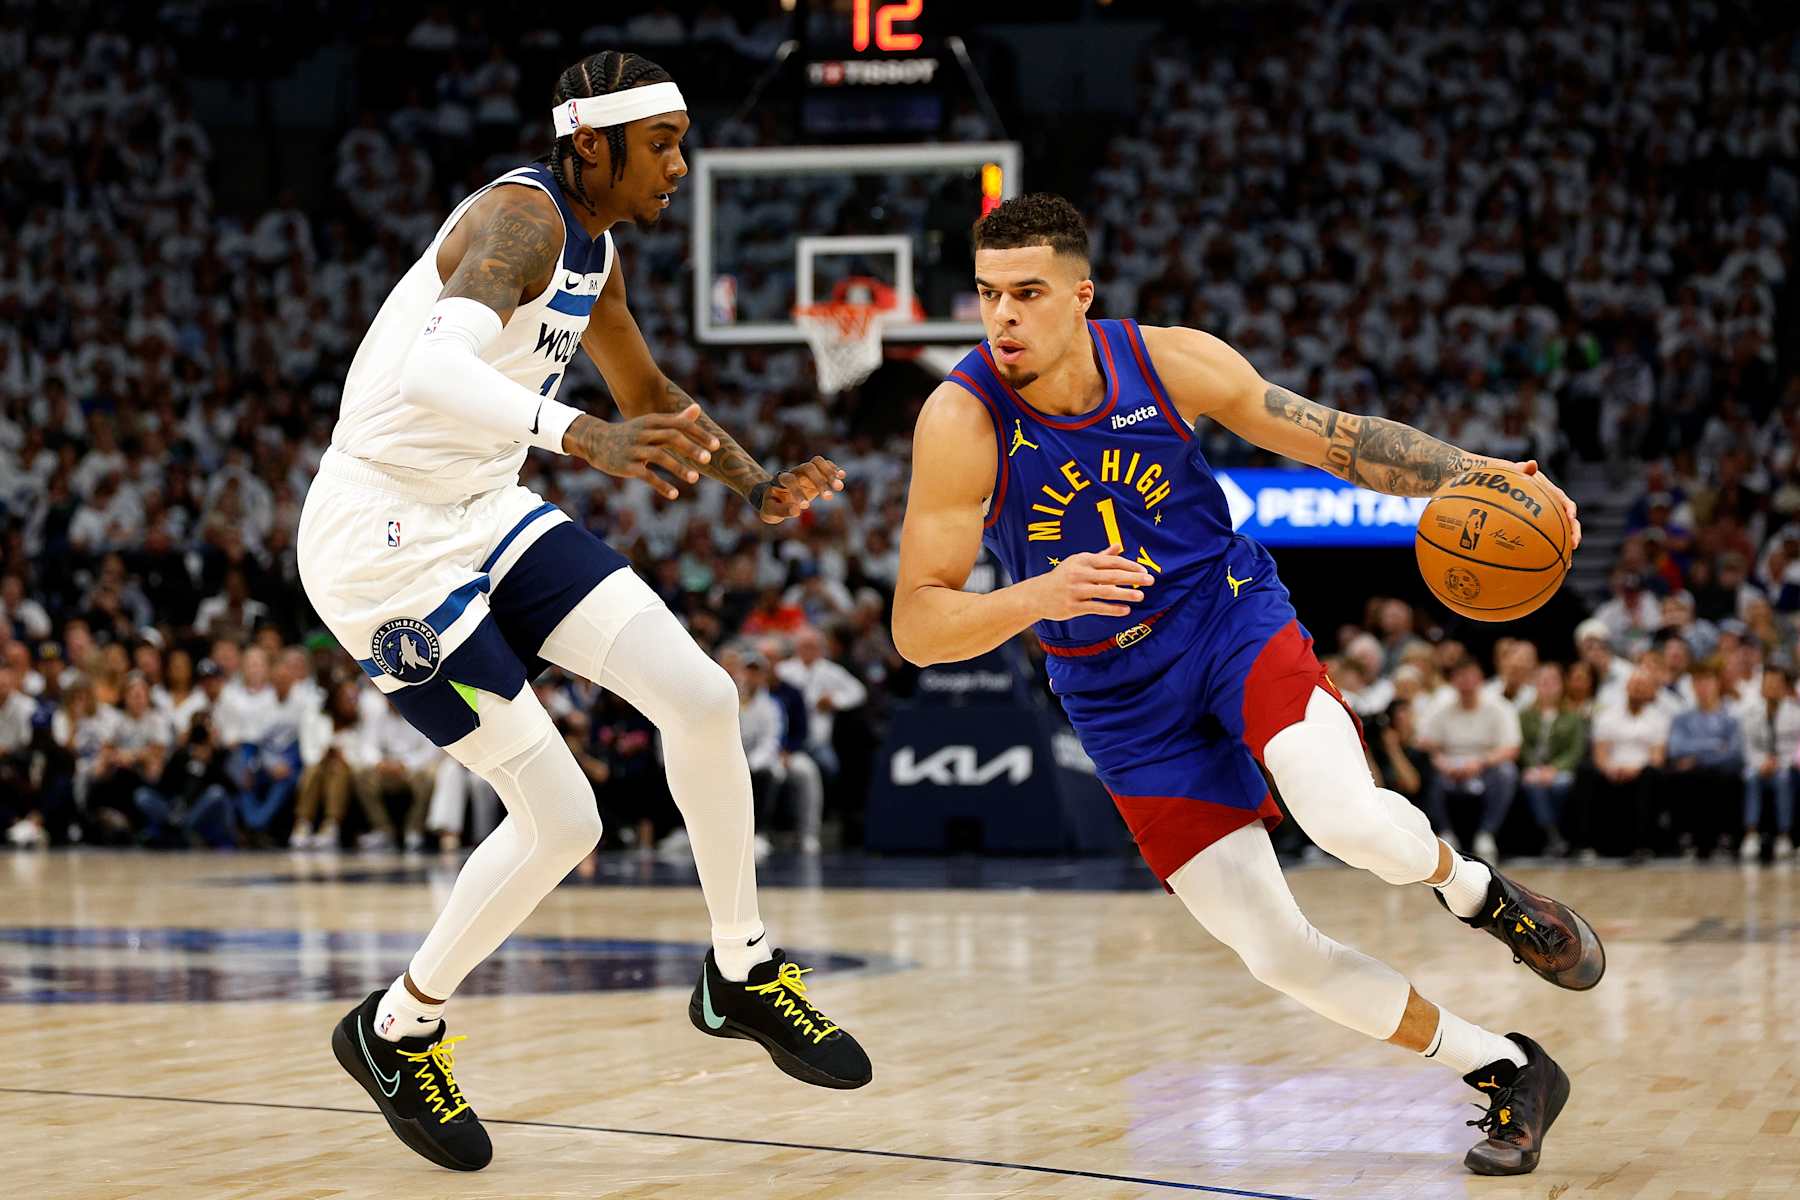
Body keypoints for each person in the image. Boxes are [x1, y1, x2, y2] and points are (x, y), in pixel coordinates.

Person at [891, 194, 1599, 1177]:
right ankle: (1507, 1067)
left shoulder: (1168, 361)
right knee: (1275, 953)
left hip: (1228, 621)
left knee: (1346, 821)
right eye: (987, 295)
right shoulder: (961, 420)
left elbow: (1337, 440)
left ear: (1080, 296)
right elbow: (917, 626)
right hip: (1114, 696)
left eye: (1027, 293)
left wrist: (1478, 473)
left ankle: (1479, 895)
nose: (1002, 317)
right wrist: (1036, 593)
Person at [297, 51, 868, 1171]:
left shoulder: (594, 250)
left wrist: (754, 482)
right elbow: (431, 376)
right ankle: (398, 1027)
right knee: (563, 819)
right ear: (592, 146)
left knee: (704, 696)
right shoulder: (523, 218)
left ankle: (741, 968)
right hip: (384, 544)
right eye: (663, 144)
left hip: (481, 505)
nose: (680, 165)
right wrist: (586, 439)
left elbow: (649, 399)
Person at [1417, 658, 1522, 860]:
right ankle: (1444, 833)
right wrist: (1441, 761)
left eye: (1470, 676)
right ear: (1452, 681)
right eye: (1460, 677)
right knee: (1426, 769)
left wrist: (1481, 762)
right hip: (1449, 767)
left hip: (1484, 768)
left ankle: (1486, 833)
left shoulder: (1499, 707)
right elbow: (1425, 743)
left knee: (1506, 772)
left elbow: (1511, 747)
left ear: (1480, 679)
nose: (1466, 682)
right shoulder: (1441, 707)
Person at [1576, 668, 1670, 862]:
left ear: (1651, 691)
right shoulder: (1609, 715)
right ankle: (1585, 845)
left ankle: (1642, 846)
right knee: (1585, 770)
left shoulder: (1658, 718)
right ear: (1626, 687)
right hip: (1611, 770)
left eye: (1642, 686)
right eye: (1634, 685)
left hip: (1642, 771)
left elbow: (1657, 757)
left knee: (1651, 774)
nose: (1637, 690)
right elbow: (1600, 752)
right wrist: (1610, 769)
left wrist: (1634, 770)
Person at [1663, 662, 1744, 859]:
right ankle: (1691, 838)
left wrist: (1697, 756)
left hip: (1721, 774)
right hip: (1694, 776)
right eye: (1697, 682)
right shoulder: (1681, 719)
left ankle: (1722, 838)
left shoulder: (1731, 718)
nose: (1703, 687)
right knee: (1687, 776)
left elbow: (1734, 753)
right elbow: (1676, 749)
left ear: (1717, 684)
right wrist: (1714, 745)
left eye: (1707, 681)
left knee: (1719, 775)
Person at [1517, 663, 1585, 858]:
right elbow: (1523, 746)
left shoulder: (1572, 715)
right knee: (1533, 785)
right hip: (1534, 769)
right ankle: (1553, 835)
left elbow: (1575, 750)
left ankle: (1557, 834)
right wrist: (1533, 768)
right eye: (1543, 682)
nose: (1548, 686)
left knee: (1560, 785)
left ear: (1561, 685)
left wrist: (1555, 768)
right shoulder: (1525, 715)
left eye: (1553, 682)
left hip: (1560, 769)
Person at [1738, 660, 1800, 863]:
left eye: (1776, 684)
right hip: (1760, 766)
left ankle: (1784, 835)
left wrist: (1780, 762)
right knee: (1750, 777)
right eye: (1768, 684)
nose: (1772, 689)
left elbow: (1796, 747)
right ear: (1762, 688)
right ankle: (1751, 834)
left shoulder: (1796, 713)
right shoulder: (1751, 714)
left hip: (1786, 766)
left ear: (1784, 688)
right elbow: (1749, 747)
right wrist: (1761, 763)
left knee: (1783, 780)